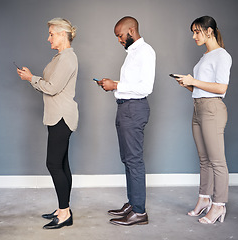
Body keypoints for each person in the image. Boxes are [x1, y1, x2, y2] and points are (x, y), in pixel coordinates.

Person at [17, 18, 78, 229]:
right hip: (58, 115)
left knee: (53, 163)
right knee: (61, 163)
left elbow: (51, 88)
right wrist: (32, 79)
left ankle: (64, 213)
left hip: (62, 116)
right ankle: (64, 208)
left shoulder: (68, 59)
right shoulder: (60, 57)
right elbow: (49, 86)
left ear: (62, 34)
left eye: (52, 34)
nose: (48, 37)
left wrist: (30, 78)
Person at [96, 16, 155, 226]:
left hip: (134, 109)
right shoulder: (132, 53)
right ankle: (133, 203)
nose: (119, 40)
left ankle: (139, 212)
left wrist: (116, 86)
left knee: (134, 161)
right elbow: (132, 83)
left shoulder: (145, 51)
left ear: (131, 30)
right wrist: (113, 83)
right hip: (125, 108)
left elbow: (146, 88)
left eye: (120, 35)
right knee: (127, 159)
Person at [174, 16, 232, 224]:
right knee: (204, 160)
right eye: (193, 32)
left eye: (197, 32)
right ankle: (204, 199)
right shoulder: (205, 57)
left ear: (209, 31)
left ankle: (219, 205)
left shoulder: (222, 56)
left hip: (212, 110)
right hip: (198, 108)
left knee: (217, 161)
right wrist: (188, 84)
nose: (193, 36)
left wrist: (194, 80)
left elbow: (221, 88)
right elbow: (201, 89)